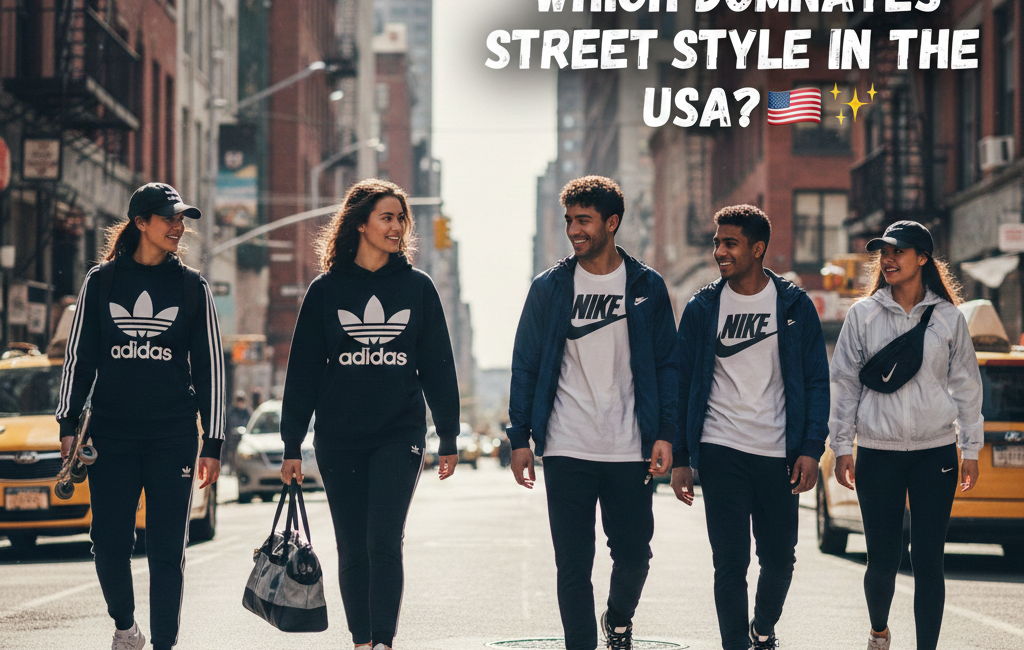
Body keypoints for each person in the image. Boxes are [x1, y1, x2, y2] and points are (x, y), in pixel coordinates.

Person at [278, 178, 460, 650]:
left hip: (399, 434)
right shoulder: (326, 290)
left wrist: (448, 433)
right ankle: (361, 641)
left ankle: (383, 641)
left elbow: (438, 365)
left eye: (402, 218)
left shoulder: (418, 288)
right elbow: (303, 370)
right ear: (360, 224)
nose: (397, 227)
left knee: (384, 538)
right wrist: (291, 443)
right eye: (387, 217)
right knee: (352, 544)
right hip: (338, 437)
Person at [507, 176, 678, 650]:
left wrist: (666, 431)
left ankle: (618, 618)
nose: (573, 230)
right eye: (568, 221)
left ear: (611, 222)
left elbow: (667, 364)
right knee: (573, 564)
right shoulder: (550, 287)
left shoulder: (646, 286)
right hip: (567, 444)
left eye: (583, 220)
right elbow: (526, 363)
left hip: (629, 446)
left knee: (634, 556)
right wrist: (519, 437)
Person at [56, 183, 225, 650]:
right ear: (141, 223)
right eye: (169, 218)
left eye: (182, 219)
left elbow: (210, 367)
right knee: (109, 542)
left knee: (168, 549)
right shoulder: (102, 281)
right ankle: (126, 628)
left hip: (173, 436)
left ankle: (165, 644)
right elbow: (79, 357)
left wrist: (213, 442)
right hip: (110, 435)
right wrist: (67, 424)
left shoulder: (191, 286)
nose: (178, 227)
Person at [671, 205, 829, 650]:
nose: (719, 251)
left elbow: (817, 381)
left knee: (779, 559)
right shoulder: (703, 308)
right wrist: (681, 457)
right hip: (720, 448)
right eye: (717, 243)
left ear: (757, 249)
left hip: (778, 451)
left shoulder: (794, 305)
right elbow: (681, 384)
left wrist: (811, 448)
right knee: (730, 562)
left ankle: (762, 628)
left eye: (730, 243)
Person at [828, 221, 982, 650]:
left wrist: (970, 448)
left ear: (923, 258)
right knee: (882, 558)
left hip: (936, 452)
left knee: (928, 558)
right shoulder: (863, 314)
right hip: (878, 451)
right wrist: (841, 445)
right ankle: (879, 632)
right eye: (884, 252)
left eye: (898, 251)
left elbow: (967, 385)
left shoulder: (948, 318)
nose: (888, 259)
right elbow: (844, 383)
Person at [225, 390, 252, 470]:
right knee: (232, 453)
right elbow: (228, 423)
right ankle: (232, 467)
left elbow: (250, 424)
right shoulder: (232, 411)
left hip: (243, 437)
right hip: (232, 437)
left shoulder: (247, 412)